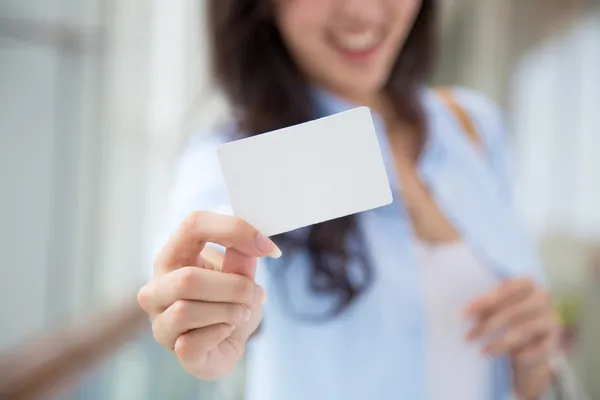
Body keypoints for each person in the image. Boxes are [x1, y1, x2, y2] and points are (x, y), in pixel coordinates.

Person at [137, 0, 561, 399]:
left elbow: (524, 374)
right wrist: (208, 305)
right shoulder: (231, 161)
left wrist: (535, 353)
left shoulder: (474, 128)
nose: (361, 11)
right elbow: (209, 248)